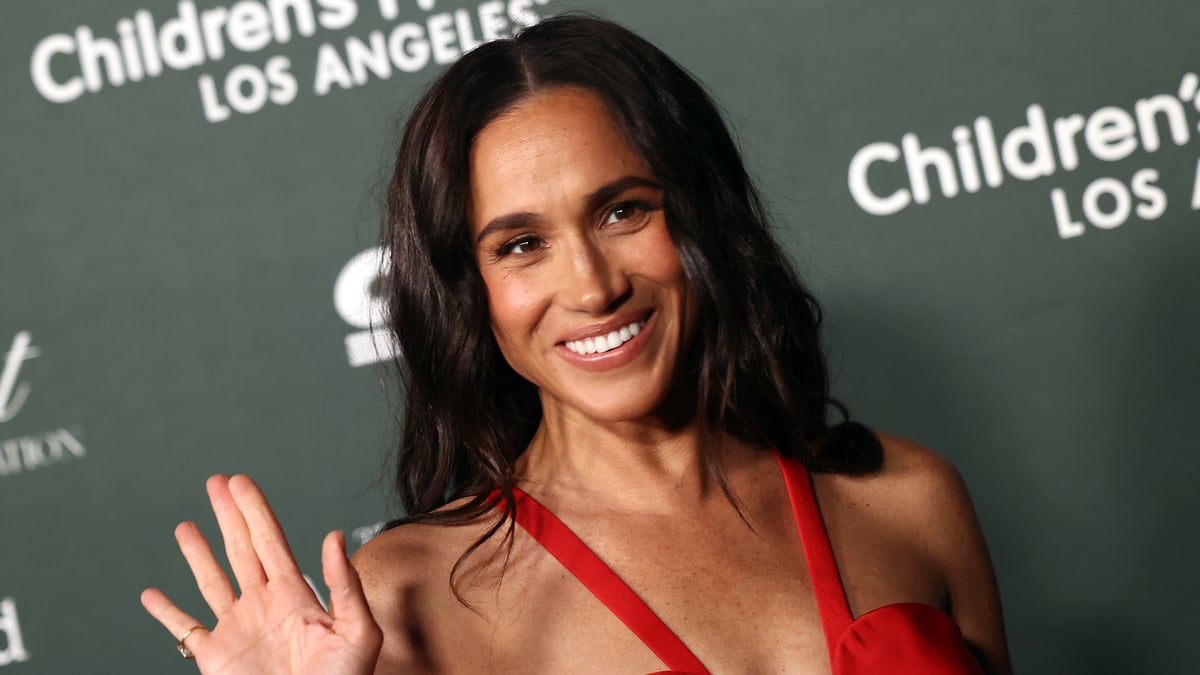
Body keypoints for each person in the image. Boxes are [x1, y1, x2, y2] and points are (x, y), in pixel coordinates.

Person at [141, 15, 1013, 675]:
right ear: (467, 292)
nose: (594, 287)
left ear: (702, 214)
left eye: (624, 210)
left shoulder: (910, 499)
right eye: (520, 245)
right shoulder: (404, 598)